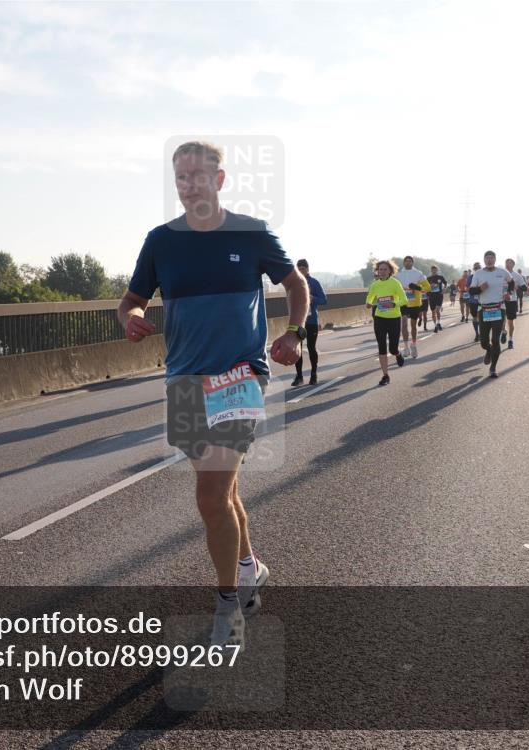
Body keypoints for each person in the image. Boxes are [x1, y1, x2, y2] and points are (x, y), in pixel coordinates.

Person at [118, 141, 309, 649]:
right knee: (220, 491)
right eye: (180, 177)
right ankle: (249, 567)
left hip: (239, 376)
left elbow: (296, 285)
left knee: (209, 495)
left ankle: (230, 608)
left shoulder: (251, 233)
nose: (188, 185)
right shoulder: (160, 241)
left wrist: (294, 332)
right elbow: (130, 300)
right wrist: (132, 319)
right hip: (183, 378)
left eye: (198, 175)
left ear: (220, 180)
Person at [469, 251, 512, 378]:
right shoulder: (478, 274)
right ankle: (488, 350)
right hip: (484, 309)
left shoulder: (502, 272)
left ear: (495, 259)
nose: (489, 260)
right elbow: (471, 291)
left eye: (491, 258)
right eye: (487, 258)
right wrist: (480, 289)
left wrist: (508, 292)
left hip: (499, 308)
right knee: (483, 342)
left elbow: (512, 282)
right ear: (484, 260)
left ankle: (493, 368)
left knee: (495, 340)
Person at [365, 259, 407, 386]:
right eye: (380, 269)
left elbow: (404, 300)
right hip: (379, 318)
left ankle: (398, 354)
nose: (382, 272)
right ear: (377, 271)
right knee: (381, 346)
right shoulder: (375, 285)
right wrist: (368, 303)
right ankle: (385, 375)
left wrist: (394, 303)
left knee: (392, 348)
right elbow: (370, 297)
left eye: (385, 269)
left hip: (394, 318)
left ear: (390, 271)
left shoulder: (395, 283)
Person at [292, 259, 328, 387]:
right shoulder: (294, 283)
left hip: (311, 321)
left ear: (308, 269)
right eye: (299, 269)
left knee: (311, 348)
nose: (301, 271)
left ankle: (314, 374)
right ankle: (299, 376)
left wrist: (313, 298)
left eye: (303, 268)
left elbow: (324, 300)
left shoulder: (314, 282)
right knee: (297, 349)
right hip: (298, 321)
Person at [395, 256, 431, 359]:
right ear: (403, 263)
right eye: (406, 261)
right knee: (404, 324)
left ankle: (413, 345)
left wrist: (417, 287)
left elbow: (428, 288)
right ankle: (406, 347)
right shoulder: (398, 275)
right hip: (403, 303)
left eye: (409, 261)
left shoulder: (418, 274)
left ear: (412, 263)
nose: (407, 263)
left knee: (413, 325)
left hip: (415, 303)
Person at [503, 258, 527, 349]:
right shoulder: (501, 274)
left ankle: (510, 339)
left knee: (510, 321)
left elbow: (525, 288)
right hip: (501, 300)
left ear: (513, 265)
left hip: (512, 301)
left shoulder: (517, 276)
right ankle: (504, 331)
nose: (507, 265)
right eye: (506, 263)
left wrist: (518, 287)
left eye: (509, 263)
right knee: (501, 319)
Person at [426, 265, 447, 333]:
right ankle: (435, 325)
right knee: (433, 312)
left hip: (439, 295)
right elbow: (425, 287)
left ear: (437, 270)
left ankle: (438, 323)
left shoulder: (440, 277)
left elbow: (445, 283)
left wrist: (444, 289)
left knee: (437, 310)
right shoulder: (428, 278)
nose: (434, 271)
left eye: (435, 269)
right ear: (431, 270)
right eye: (433, 269)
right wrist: (429, 288)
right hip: (432, 296)